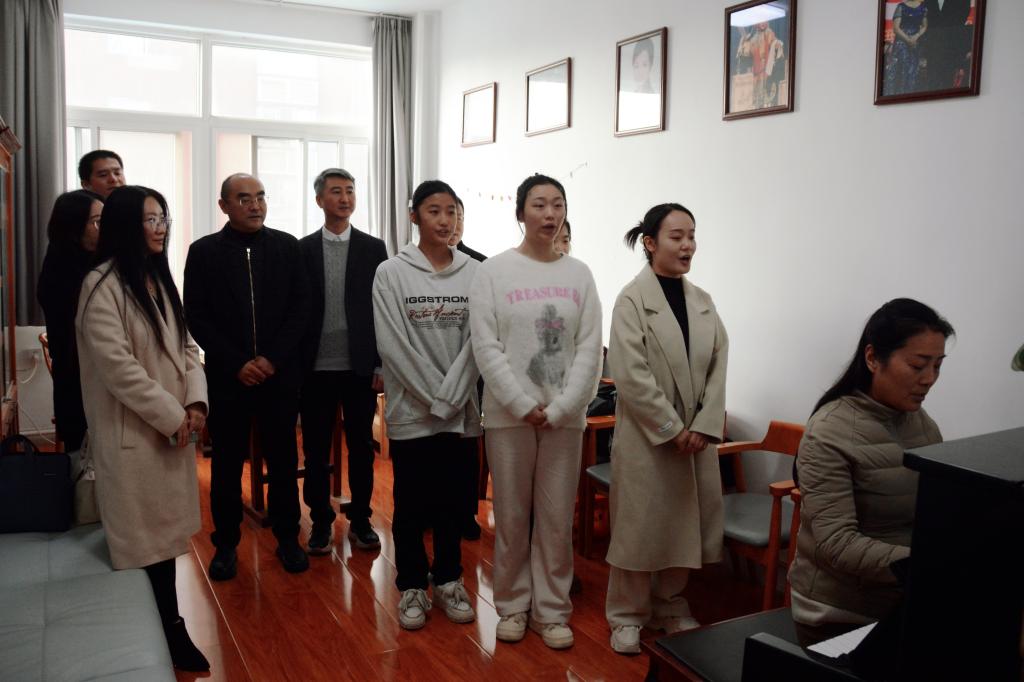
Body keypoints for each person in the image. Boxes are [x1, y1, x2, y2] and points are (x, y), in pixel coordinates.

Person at [76, 185, 209, 671]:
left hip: (171, 429)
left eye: (163, 219)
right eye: (150, 220)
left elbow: (187, 346)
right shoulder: (101, 285)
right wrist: (174, 415)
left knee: (164, 540)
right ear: (126, 226)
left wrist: (195, 402)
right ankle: (166, 632)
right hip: (135, 433)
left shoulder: (155, 277)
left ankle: (165, 629)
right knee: (145, 542)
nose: (161, 229)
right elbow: (119, 369)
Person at [469, 173, 602, 649]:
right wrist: (523, 403)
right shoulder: (494, 272)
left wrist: (563, 406)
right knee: (511, 515)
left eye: (557, 204)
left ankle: (552, 609)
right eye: (540, 205)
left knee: (555, 518)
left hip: (564, 420)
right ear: (520, 213)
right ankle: (512, 605)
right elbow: (486, 346)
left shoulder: (579, 274)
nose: (550, 214)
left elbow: (589, 349)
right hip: (509, 417)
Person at [788, 298, 953, 644]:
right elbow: (838, 544)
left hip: (904, 593)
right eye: (918, 365)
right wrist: (929, 564)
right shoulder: (829, 431)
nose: (930, 379)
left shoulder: (921, 423)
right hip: (842, 609)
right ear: (873, 358)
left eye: (937, 366)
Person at [604, 204, 728, 655]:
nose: (687, 245)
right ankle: (626, 614)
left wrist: (703, 425)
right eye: (677, 236)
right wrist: (673, 428)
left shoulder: (703, 301)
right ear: (650, 243)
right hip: (649, 437)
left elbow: (719, 367)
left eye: (691, 236)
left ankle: (669, 604)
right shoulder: (631, 300)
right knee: (638, 529)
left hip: (695, 438)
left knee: (683, 526)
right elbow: (630, 374)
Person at [184, 173, 311, 579]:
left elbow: (302, 309)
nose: (255, 205)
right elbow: (196, 316)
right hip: (229, 379)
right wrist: (238, 362)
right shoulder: (204, 252)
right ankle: (225, 545)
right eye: (243, 199)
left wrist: (271, 359)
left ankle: (288, 538)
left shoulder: (287, 247)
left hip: (279, 377)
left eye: (260, 197)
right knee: (225, 466)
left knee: (284, 461)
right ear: (224, 205)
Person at [373, 179, 482, 630]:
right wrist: (439, 397)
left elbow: (478, 343)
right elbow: (393, 346)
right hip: (412, 412)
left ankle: (450, 579)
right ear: (414, 215)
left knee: (455, 502)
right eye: (434, 211)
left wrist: (452, 398)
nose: (445, 220)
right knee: (411, 503)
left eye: (451, 211)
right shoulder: (391, 273)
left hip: (460, 414)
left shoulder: (475, 272)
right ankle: (413, 585)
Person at [298, 168, 388, 554]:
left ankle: (361, 520)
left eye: (350, 191)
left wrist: (381, 364)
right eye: (336, 191)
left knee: (362, 448)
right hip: (314, 368)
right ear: (320, 199)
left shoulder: (373, 248)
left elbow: (383, 310)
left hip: (359, 367)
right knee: (316, 450)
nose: (345, 198)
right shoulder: (302, 249)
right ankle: (320, 521)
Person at [37, 190, 102, 452]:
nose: (104, 229)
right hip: (79, 382)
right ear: (74, 228)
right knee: (83, 463)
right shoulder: (62, 271)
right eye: (97, 222)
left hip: (94, 379)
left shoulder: (94, 262)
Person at [448, 195, 486, 540]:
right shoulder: (408, 267)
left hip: (473, 370)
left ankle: (464, 513)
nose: (453, 222)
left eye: (458, 215)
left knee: (465, 448)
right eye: (444, 214)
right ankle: (431, 512)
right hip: (430, 369)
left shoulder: (481, 265)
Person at [922, 0, 972, 91]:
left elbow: (962, 16)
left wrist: (945, 33)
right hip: (932, 46)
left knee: (948, 80)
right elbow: (924, 18)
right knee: (931, 80)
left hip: (951, 45)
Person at [885, 0, 928, 95]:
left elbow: (925, 26)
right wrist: (908, 40)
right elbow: (896, 28)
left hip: (915, 42)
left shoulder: (923, 7)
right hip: (901, 42)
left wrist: (916, 36)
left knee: (912, 70)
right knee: (900, 69)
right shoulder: (901, 6)